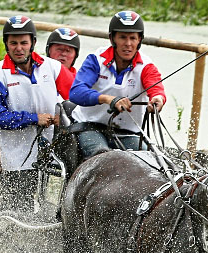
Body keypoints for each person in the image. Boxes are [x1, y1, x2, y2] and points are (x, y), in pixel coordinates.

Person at [0, 15, 67, 216]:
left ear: (33, 44)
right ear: (6, 44)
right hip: (17, 155)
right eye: (13, 43)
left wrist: (62, 116)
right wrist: (33, 118)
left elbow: (77, 94)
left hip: (51, 149)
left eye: (23, 42)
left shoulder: (53, 67)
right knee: (16, 209)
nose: (18, 48)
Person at [68, 10, 167, 156]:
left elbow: (156, 88)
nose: (128, 44)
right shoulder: (96, 60)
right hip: (89, 126)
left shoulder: (146, 66)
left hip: (127, 132)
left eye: (133, 38)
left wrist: (158, 99)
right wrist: (109, 99)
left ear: (139, 40)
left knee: (151, 160)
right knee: (101, 157)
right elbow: (76, 92)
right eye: (122, 37)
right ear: (112, 38)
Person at [45, 27, 81, 95]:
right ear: (49, 50)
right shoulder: (36, 73)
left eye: (68, 51)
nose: (63, 54)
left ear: (75, 56)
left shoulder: (79, 84)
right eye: (59, 49)